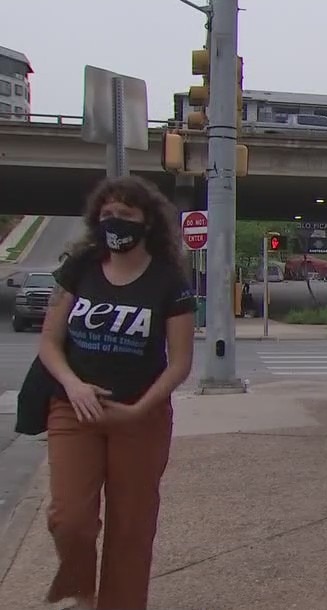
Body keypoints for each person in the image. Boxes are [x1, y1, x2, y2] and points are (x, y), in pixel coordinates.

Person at [37, 176, 196, 610]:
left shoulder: (169, 281)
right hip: (74, 410)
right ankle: (81, 589)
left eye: (126, 215)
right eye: (107, 215)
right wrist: (73, 384)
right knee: (69, 519)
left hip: (140, 418)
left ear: (147, 222)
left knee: (132, 526)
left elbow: (180, 361)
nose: (115, 222)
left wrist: (139, 409)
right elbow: (49, 343)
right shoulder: (81, 267)